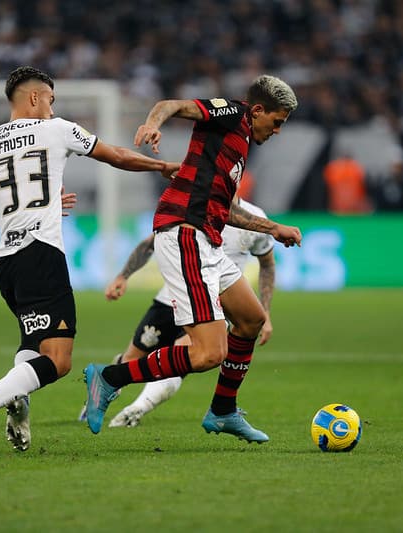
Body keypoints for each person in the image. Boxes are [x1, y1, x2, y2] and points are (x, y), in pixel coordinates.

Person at [0, 66, 180, 455]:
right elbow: (117, 156)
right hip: (41, 254)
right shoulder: (56, 130)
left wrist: (48, 203)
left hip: (7, 262)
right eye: (51, 101)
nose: (53, 111)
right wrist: (162, 167)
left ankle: (18, 405)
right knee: (59, 361)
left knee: (33, 344)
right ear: (35, 98)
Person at [83, 75, 302, 443]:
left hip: (208, 240)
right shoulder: (233, 114)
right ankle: (108, 378)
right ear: (259, 110)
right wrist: (153, 124)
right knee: (207, 354)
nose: (278, 130)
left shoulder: (239, 143)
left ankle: (223, 411)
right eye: (277, 122)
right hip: (184, 232)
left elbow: (226, 209)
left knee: (250, 320)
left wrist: (272, 228)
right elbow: (173, 105)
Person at [78, 195, 276, 428]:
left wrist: (266, 312)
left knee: (191, 354)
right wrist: (123, 276)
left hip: (217, 302)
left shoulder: (255, 220)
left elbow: (267, 264)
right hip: (171, 297)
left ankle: (137, 408)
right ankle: (104, 386)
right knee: (133, 357)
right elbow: (151, 243)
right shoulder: (195, 209)